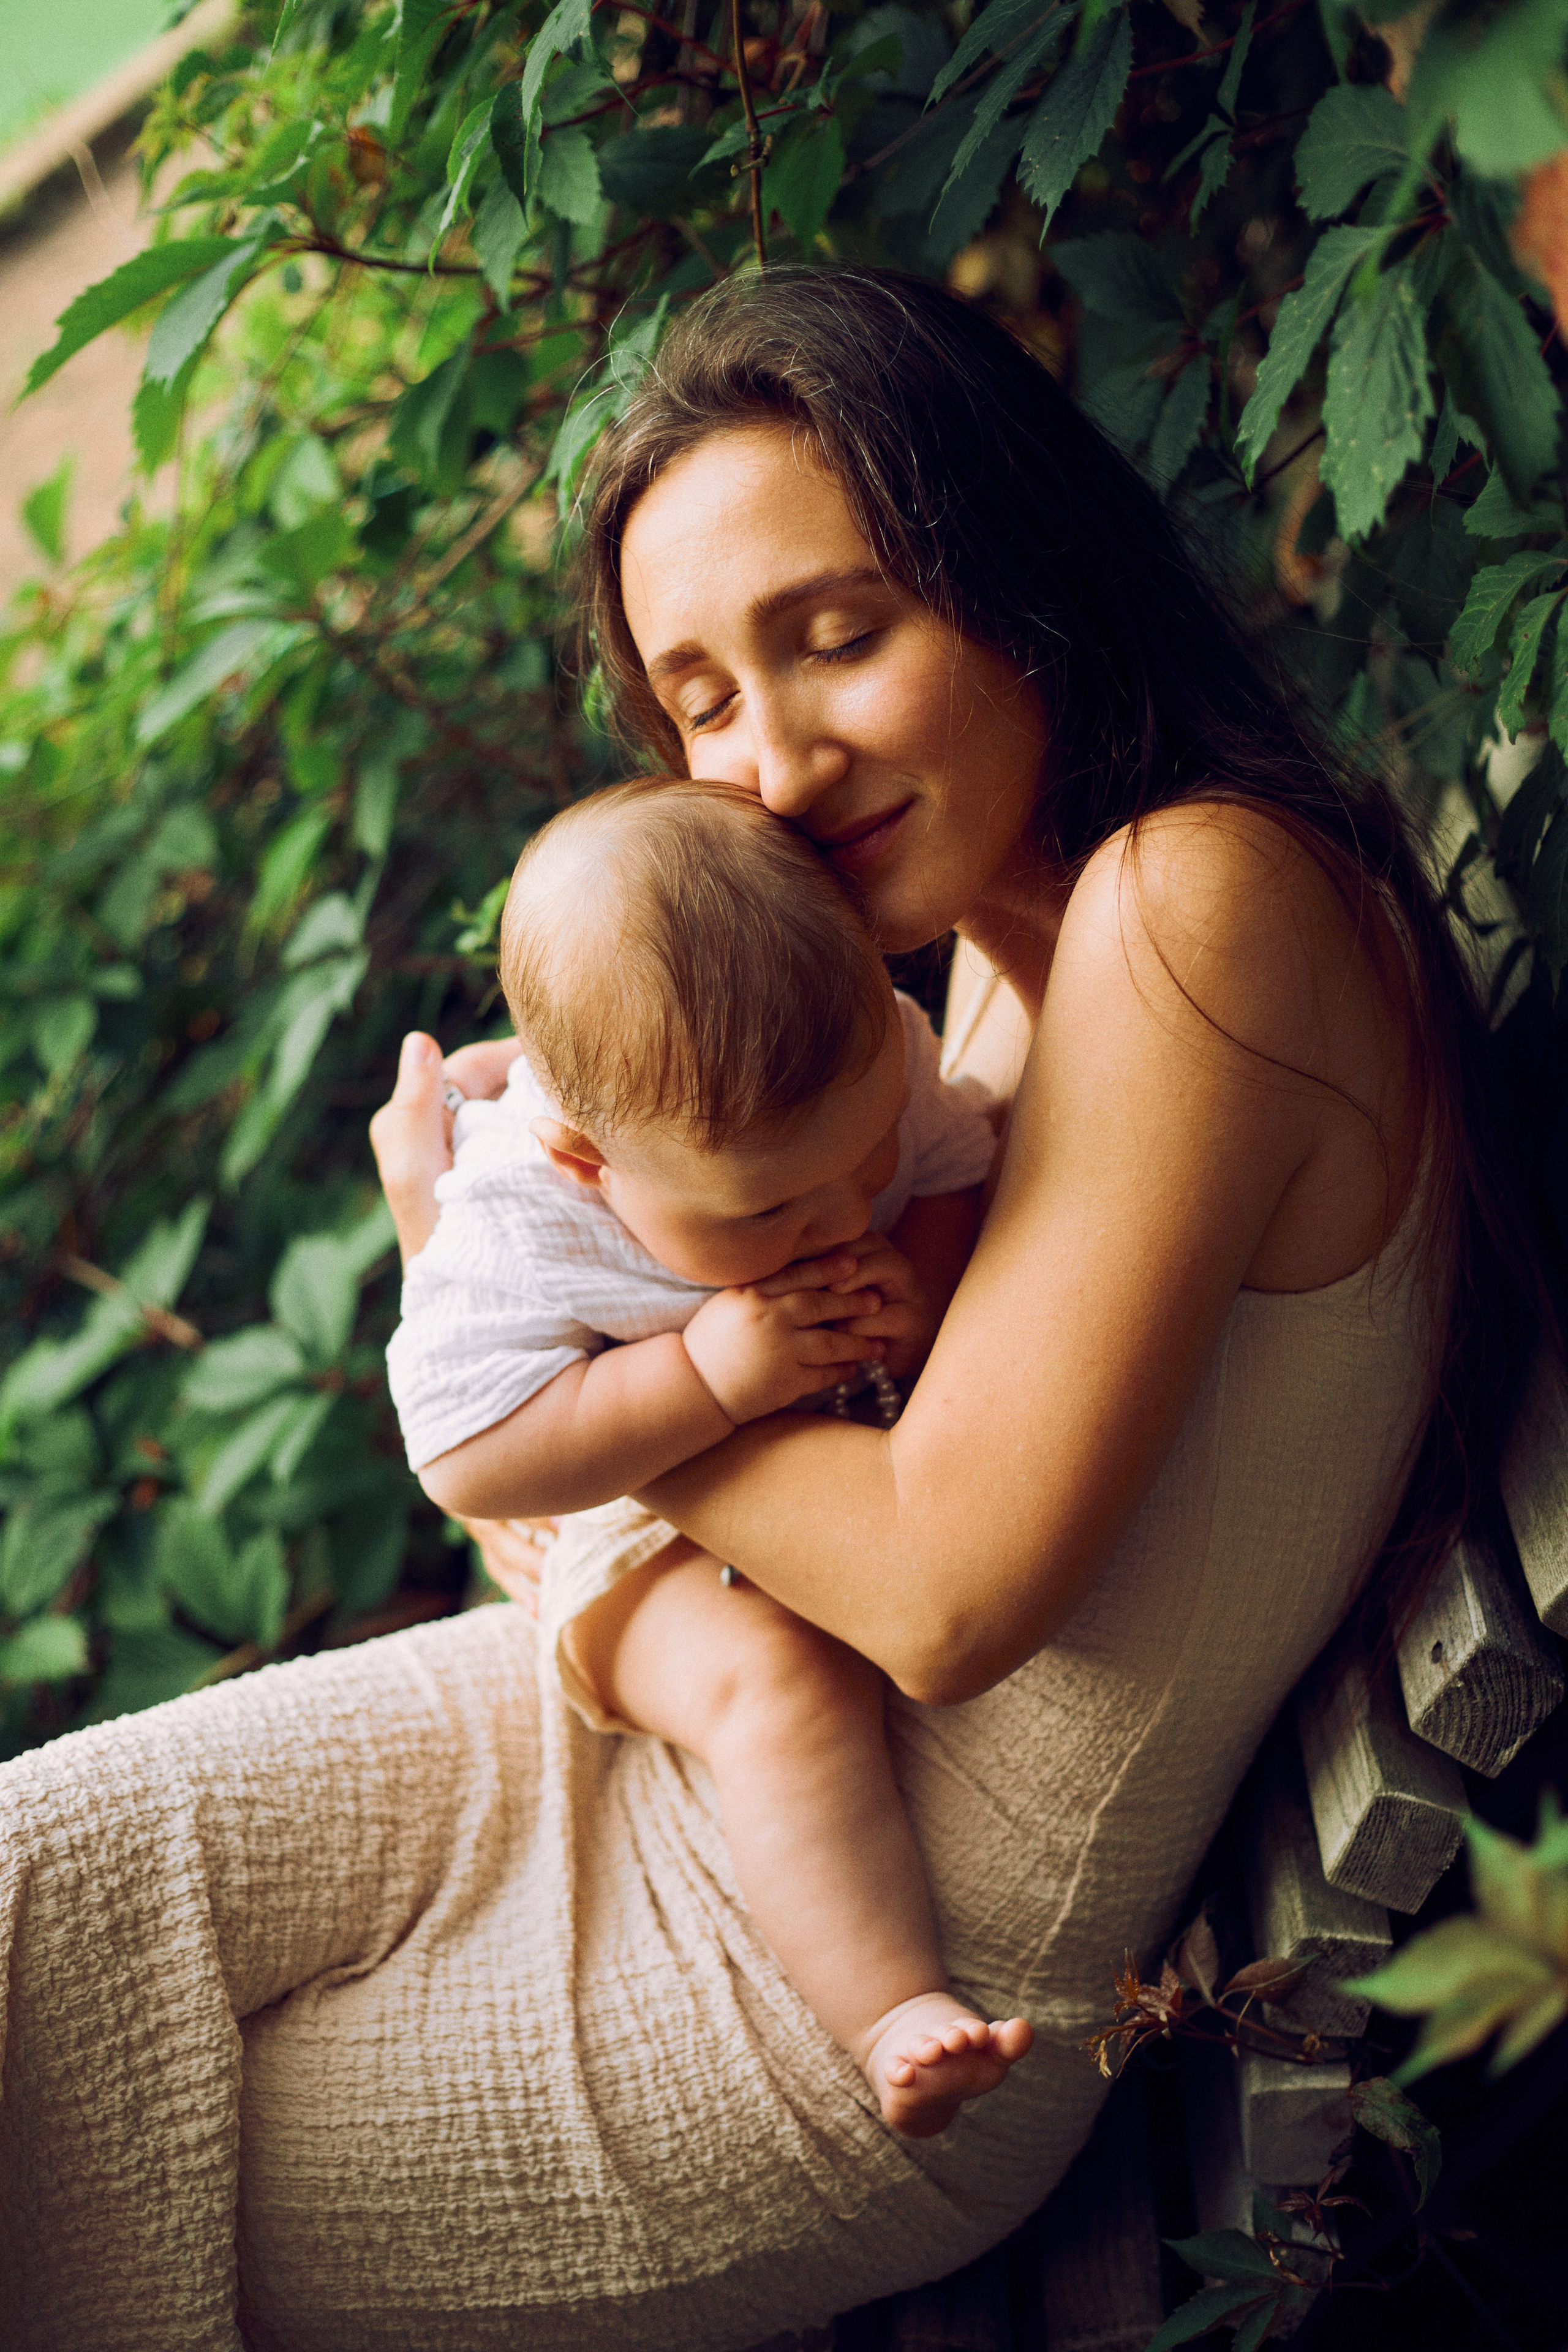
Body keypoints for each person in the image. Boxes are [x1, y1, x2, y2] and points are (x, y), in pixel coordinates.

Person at [0, 266, 1544, 2351]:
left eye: (838, 638)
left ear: (1015, 578)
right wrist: (545, 1336)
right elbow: (610, 1513)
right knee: (34, 1895)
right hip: (692, 1752)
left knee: (66, 2202)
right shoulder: (978, 977)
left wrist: (561, 1360)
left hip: (833, 2008)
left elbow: (928, 1587)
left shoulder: (1196, 912)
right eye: (702, 700)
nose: (778, 762)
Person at [387, 775, 1028, 2134]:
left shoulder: (864, 1063)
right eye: (771, 1211)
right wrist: (696, 1375)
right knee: (779, 1681)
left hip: (841, 1453)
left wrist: (919, 1274)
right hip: (628, 1540)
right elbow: (465, 1461)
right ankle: (890, 2011)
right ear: (584, 1159)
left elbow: (955, 1162)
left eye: (856, 1162)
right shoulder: (513, 1214)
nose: (842, 1206)